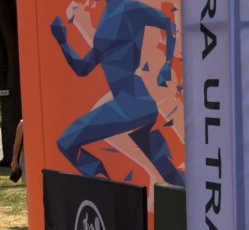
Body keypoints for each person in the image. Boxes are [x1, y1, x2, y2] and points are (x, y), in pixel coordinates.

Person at [51, 0, 184, 186]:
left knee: (67, 142)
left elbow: (169, 24)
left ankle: (108, 191)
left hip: (131, 104)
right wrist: (63, 41)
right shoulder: (107, 19)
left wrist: (166, 66)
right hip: (136, 104)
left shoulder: (130, 8)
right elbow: (83, 68)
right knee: (170, 175)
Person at [10, 118, 25, 183]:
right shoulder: (23, 123)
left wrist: (15, 159)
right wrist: (14, 159)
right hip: (27, 159)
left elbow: (17, 143)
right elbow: (17, 143)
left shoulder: (23, 123)